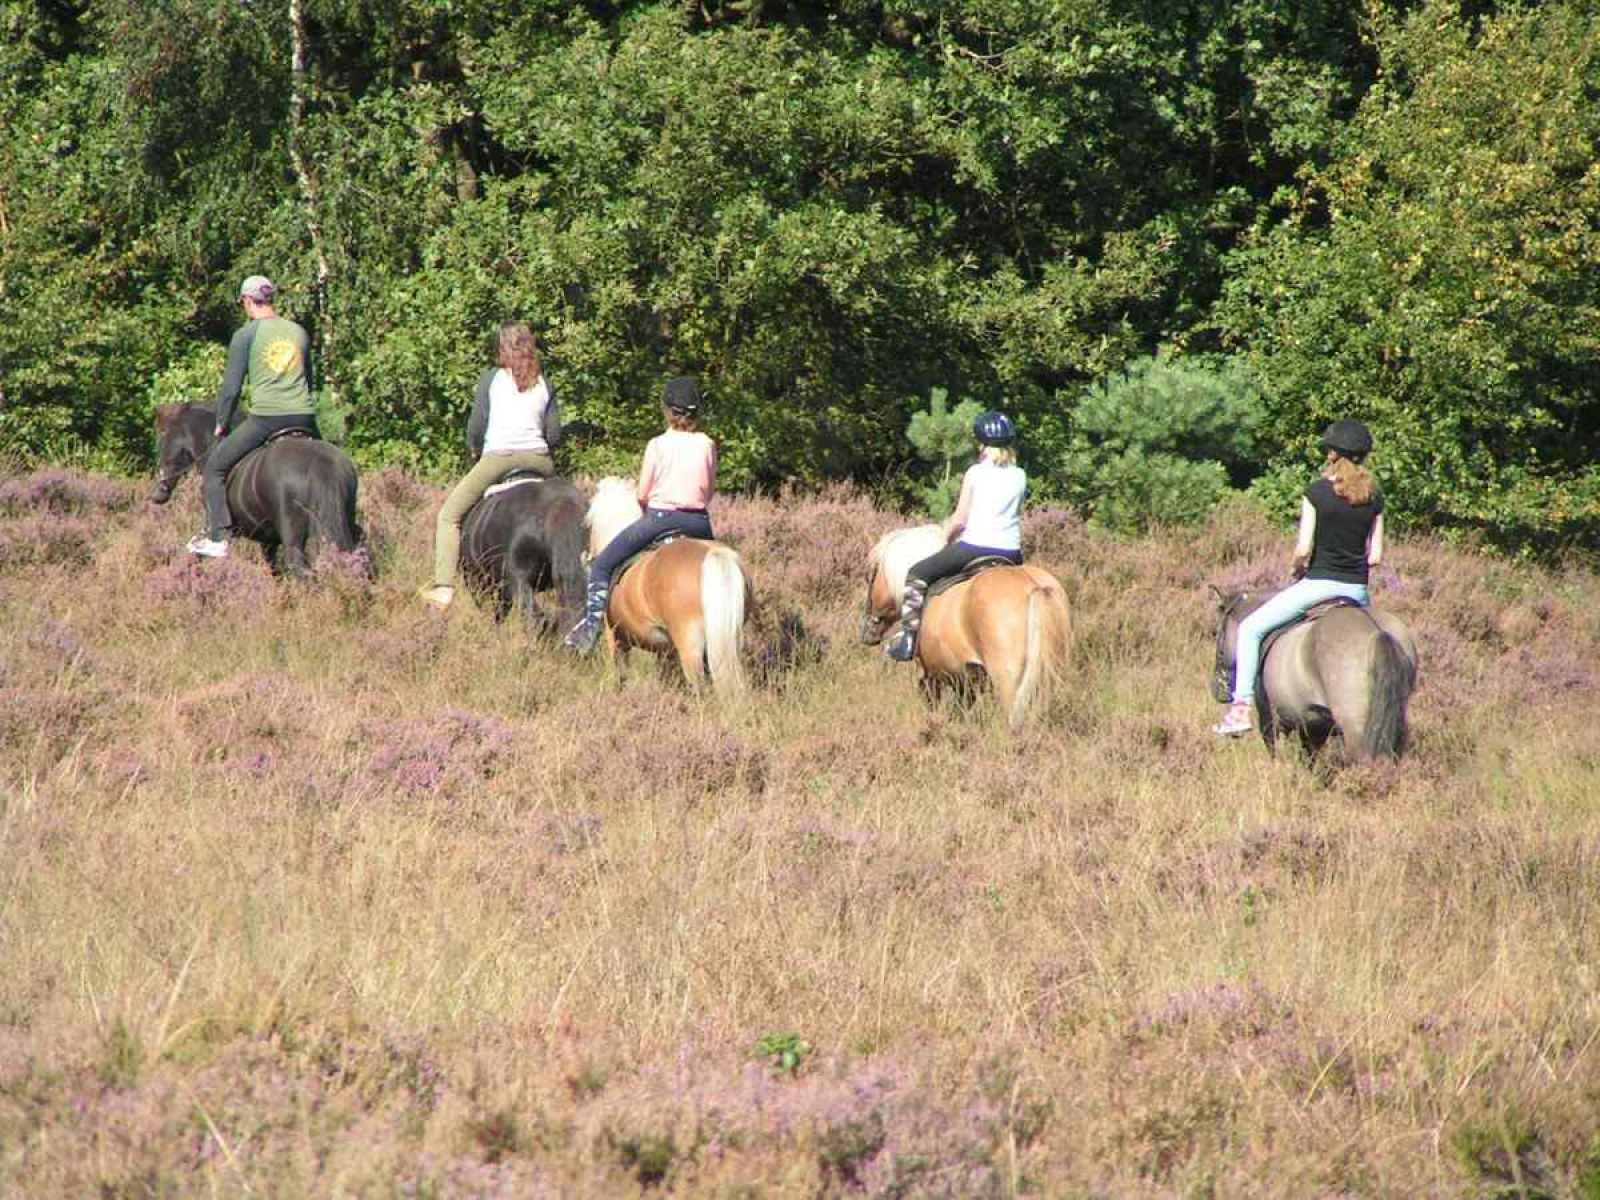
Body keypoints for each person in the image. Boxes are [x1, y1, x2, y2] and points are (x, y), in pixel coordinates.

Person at [1214, 418, 1385, 736]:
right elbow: (1375, 556)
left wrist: (1297, 567)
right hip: (1358, 593)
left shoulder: (1316, 493)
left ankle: (1239, 710)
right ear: (1363, 456)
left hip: (1318, 584)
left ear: (1333, 454)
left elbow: (1303, 548)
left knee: (1250, 629)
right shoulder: (1374, 498)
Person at [562, 376, 717, 653]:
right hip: (699, 523)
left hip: (660, 520)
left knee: (602, 566)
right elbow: (709, 490)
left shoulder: (657, 445)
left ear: (668, 411)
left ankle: (589, 630)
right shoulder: (707, 444)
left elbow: (643, 493)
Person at [419, 322, 562, 611]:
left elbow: (475, 427)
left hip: (499, 458)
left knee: (449, 516)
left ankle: (444, 586)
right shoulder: (545, 382)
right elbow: (554, 434)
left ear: (501, 348)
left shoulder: (491, 380)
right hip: (540, 461)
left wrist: (474, 448)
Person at [186, 275, 318, 557]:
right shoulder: (298, 331)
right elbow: (310, 380)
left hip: (267, 419)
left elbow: (231, 389)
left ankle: (218, 537)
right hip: (305, 416)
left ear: (247, 300)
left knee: (214, 469)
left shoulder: (246, 335)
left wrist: (222, 423)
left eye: (243, 302)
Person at [887, 410, 1026, 662]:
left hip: (975, 547)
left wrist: (946, 539)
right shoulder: (1020, 475)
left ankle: (908, 639)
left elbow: (960, 519)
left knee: (917, 574)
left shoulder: (975, 472)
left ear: (982, 443)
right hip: (1012, 553)